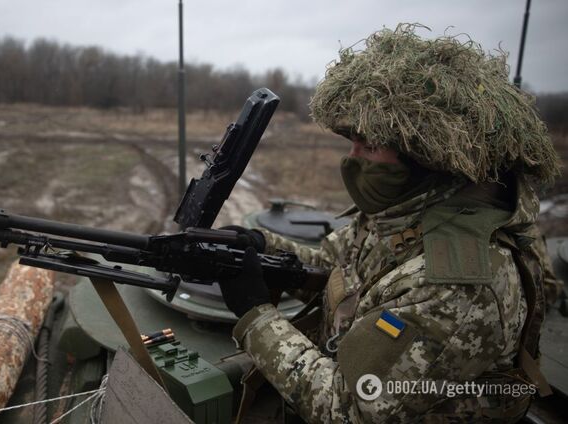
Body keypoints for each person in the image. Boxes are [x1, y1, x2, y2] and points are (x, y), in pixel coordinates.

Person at [218, 24, 561, 423]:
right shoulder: (404, 211)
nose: (352, 158)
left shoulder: (455, 282)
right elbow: (337, 264)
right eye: (352, 142)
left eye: (370, 145)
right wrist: (262, 247)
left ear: (426, 159)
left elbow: (348, 409)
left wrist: (256, 316)